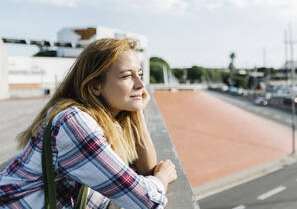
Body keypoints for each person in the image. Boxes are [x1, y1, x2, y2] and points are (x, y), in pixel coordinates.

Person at [0, 38, 177, 208]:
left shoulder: (110, 121)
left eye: (139, 74)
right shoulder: (75, 123)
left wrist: (137, 111)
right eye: (126, 76)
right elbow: (146, 201)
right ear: (95, 86)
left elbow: (145, 171)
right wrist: (163, 177)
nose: (140, 84)